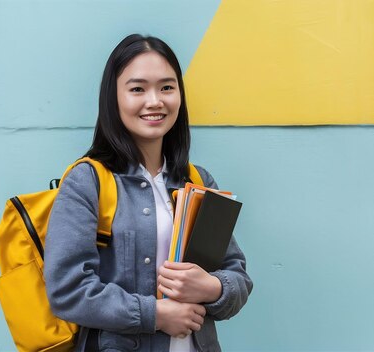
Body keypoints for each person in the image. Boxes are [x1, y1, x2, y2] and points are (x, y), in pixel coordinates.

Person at [43, 34, 253, 352]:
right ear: (113, 98)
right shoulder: (88, 181)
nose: (155, 101)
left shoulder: (198, 179)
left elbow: (237, 274)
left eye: (166, 87)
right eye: (137, 88)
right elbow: (67, 290)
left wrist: (211, 286)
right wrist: (155, 315)